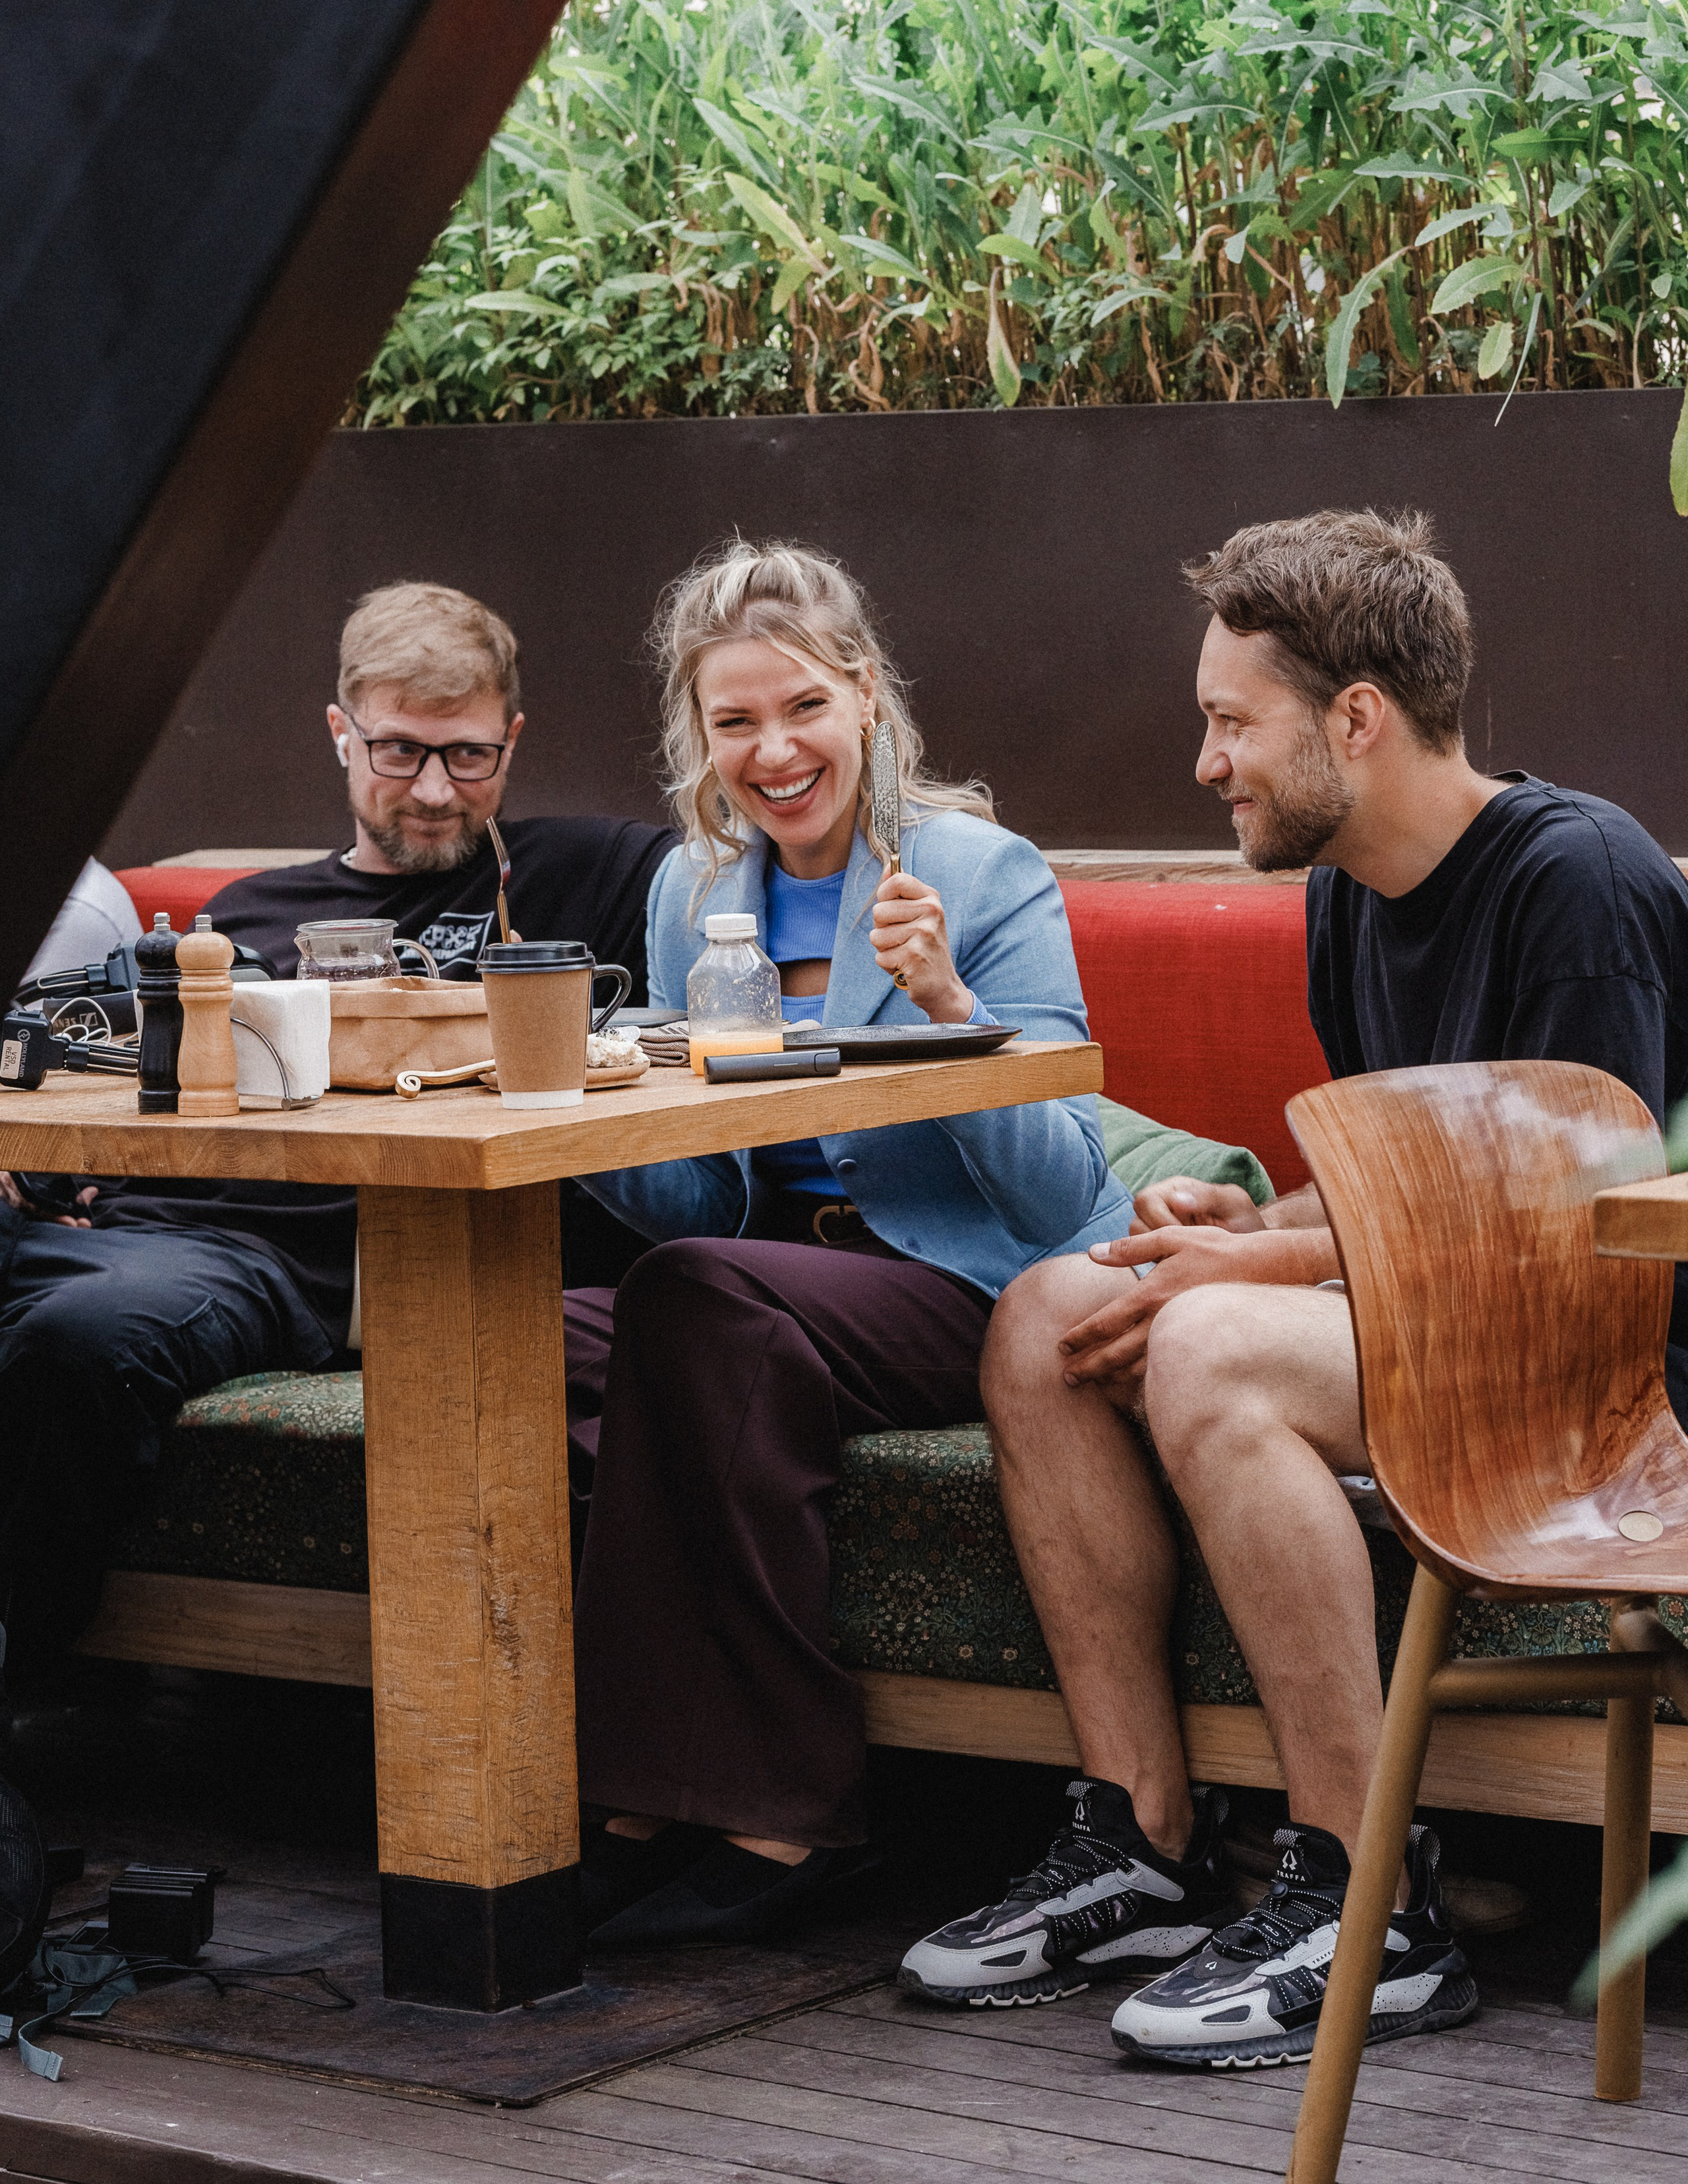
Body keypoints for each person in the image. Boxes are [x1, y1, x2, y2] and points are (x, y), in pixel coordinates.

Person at [903, 508, 1688, 2067]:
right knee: (1049, 1317)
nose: (1206, 763)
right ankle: (1136, 1836)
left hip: (1614, 1369)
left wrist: (1248, 1263)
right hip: (1455, 1322)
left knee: (1206, 1345)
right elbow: (1403, 1168)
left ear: (1354, 717)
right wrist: (1247, 1206)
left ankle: (1367, 1892)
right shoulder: (1341, 887)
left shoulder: (1577, 879)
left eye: (1227, 720)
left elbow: (1571, 1217)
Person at [561, 537, 1137, 1949]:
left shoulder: (978, 870)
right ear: (698, 736)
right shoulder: (693, 891)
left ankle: (758, 1805)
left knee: (689, 1304)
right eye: (735, 720)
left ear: (865, 696)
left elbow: (1059, 1195)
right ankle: (629, 1778)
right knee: (548, 1326)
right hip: (766, 1283)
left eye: (801, 706)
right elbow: (706, 1208)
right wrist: (624, 1108)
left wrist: (948, 1005)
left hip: (961, 1280)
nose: (774, 748)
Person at [0, 581, 669, 1689]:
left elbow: (763, 854)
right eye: (400, 752)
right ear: (340, 733)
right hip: (128, 1214)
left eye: (468, 757)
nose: (436, 792)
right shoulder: (243, 911)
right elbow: (115, 1069)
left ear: (511, 738)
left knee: (78, 1341)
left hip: (284, 1264)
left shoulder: (583, 875)